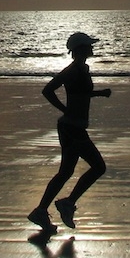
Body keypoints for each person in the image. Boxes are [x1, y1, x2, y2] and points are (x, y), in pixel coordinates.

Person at [28, 32, 111, 232]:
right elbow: (48, 90)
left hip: (72, 127)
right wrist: (64, 109)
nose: (92, 48)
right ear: (80, 49)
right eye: (88, 45)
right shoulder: (73, 70)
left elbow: (79, 93)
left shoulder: (82, 69)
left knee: (65, 172)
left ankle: (40, 211)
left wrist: (99, 94)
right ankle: (67, 203)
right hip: (72, 128)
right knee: (98, 167)